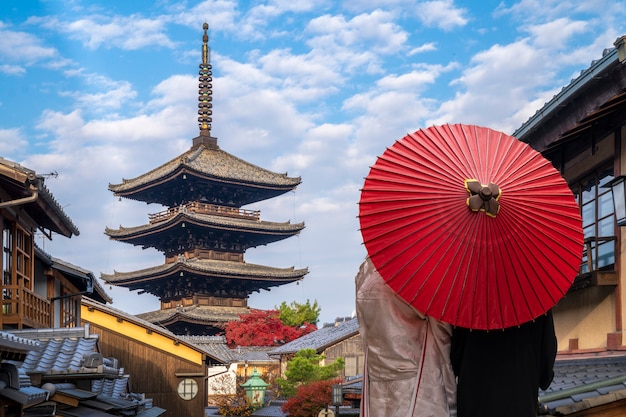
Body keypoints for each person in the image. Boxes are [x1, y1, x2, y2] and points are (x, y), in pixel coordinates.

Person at [356, 257, 457, 417]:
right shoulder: (417, 269)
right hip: (415, 374)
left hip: (377, 374)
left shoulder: (365, 271)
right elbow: (441, 332)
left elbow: (363, 327)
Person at [450, 311, 557, 417]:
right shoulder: (535, 302)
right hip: (520, 405)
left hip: (474, 406)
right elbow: (546, 370)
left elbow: (454, 360)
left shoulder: (465, 305)